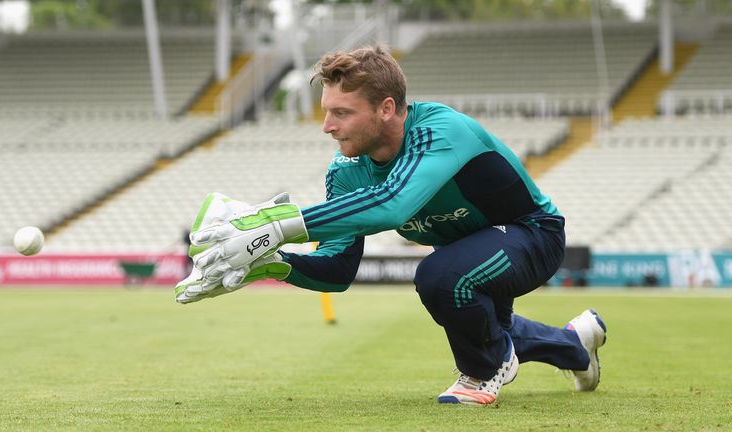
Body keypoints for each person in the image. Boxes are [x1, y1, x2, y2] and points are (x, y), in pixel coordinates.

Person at [177, 45, 607, 406]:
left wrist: (273, 224)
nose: (327, 126)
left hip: (533, 235)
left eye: (341, 113)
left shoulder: (440, 129)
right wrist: (271, 263)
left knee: (442, 279)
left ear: (386, 109)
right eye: (327, 112)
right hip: (473, 256)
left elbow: (393, 205)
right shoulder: (346, 172)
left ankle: (484, 370)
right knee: (482, 314)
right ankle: (576, 345)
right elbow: (337, 270)